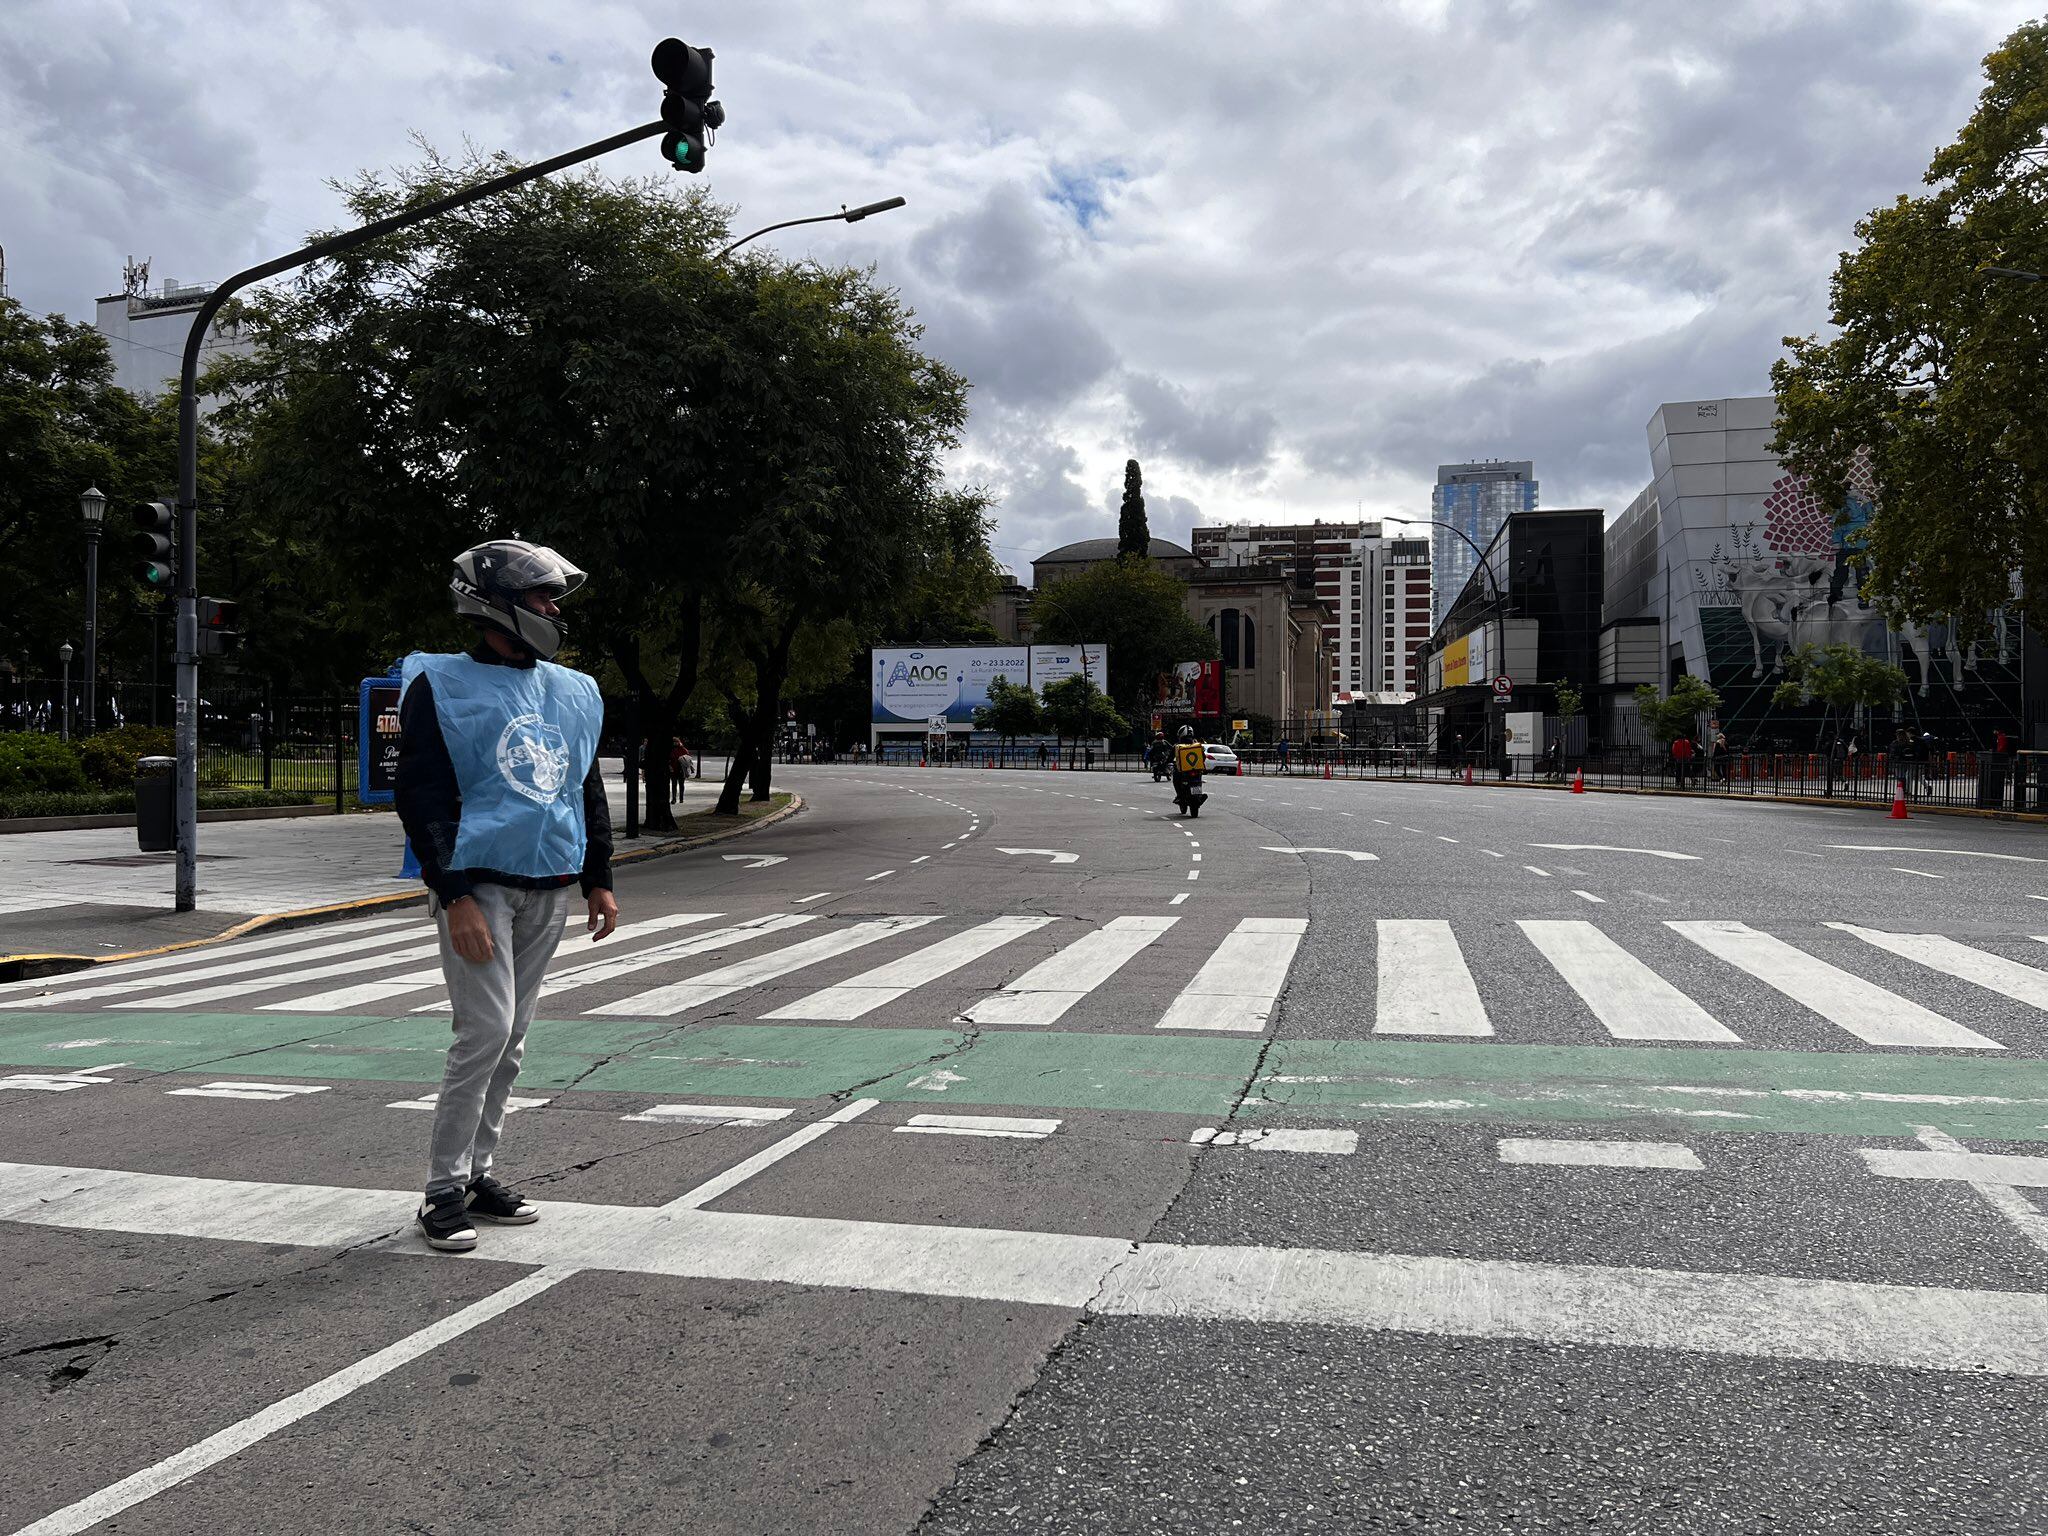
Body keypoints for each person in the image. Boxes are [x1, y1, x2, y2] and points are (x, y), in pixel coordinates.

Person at [396, 540, 620, 1254]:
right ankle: (440, 1189)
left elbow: (582, 785)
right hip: (479, 883)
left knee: (513, 1042)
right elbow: (421, 792)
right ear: (494, 605)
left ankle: (478, 1174)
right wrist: (452, 892)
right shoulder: (439, 683)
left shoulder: (574, 690)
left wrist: (601, 876)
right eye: (541, 598)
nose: (554, 610)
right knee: (484, 1032)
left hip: (548, 882)